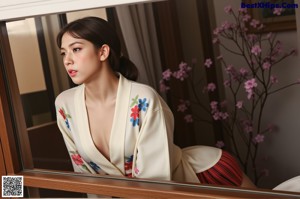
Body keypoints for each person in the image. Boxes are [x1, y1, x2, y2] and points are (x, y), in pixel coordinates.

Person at [55, 16, 255, 191]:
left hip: (198, 179)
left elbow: (155, 183)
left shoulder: (144, 100)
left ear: (103, 52)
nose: (67, 60)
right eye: (64, 53)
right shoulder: (65, 105)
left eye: (76, 49)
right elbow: (84, 175)